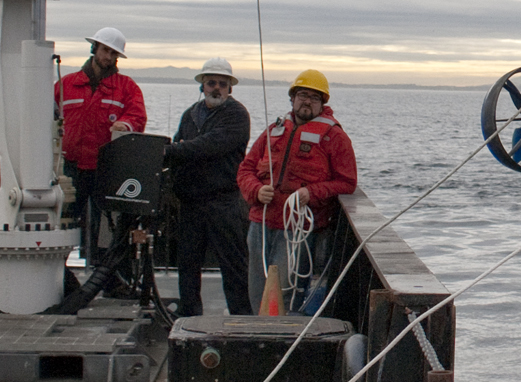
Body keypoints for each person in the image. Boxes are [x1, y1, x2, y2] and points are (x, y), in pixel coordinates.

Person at [236, 69, 358, 315]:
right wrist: (257, 191)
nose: (307, 101)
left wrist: (311, 193)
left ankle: (281, 339)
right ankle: (257, 334)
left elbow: (347, 182)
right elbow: (245, 169)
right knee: (256, 289)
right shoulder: (274, 130)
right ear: (292, 98)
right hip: (260, 224)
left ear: (323, 103)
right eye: (302, 95)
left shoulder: (334, 137)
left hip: (296, 230)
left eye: (314, 97)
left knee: (284, 293)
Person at [165, 57, 252, 316]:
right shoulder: (189, 115)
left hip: (223, 201)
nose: (216, 88)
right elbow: (180, 147)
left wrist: (170, 151)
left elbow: (209, 145)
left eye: (222, 84)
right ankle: (189, 315)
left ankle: (241, 317)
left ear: (230, 88)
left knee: (233, 264)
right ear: (202, 85)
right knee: (187, 263)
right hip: (191, 202)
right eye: (211, 82)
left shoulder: (237, 115)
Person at [56, 26, 146, 263]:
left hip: (105, 170)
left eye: (113, 54)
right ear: (94, 48)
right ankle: (59, 271)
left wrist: (125, 124)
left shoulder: (127, 87)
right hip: (71, 169)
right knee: (64, 221)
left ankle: (103, 274)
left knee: (105, 227)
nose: (108, 57)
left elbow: (137, 116)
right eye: (105, 50)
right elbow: (44, 117)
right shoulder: (66, 84)